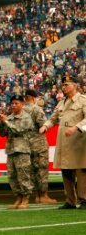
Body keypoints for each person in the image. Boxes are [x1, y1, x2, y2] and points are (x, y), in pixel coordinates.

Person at [40, 76, 86, 210]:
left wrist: (76, 127)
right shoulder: (61, 102)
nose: (63, 87)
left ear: (75, 85)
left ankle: (84, 200)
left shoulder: (83, 100)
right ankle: (70, 200)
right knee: (66, 171)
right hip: (64, 141)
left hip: (79, 140)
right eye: (63, 85)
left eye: (66, 85)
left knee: (81, 171)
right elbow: (53, 118)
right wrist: (45, 126)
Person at [0, 95, 34, 209]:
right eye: (12, 103)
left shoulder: (26, 117)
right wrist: (2, 123)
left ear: (22, 104)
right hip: (11, 150)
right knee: (12, 176)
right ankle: (18, 198)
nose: (13, 105)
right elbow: (2, 134)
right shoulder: (10, 117)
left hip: (22, 149)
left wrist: (6, 122)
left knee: (23, 174)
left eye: (16, 103)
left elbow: (19, 130)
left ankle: (25, 199)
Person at [23, 89, 57, 204]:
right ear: (34, 98)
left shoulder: (21, 110)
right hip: (39, 144)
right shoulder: (36, 109)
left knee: (32, 170)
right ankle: (43, 195)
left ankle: (37, 195)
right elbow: (43, 126)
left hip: (26, 145)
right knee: (42, 170)